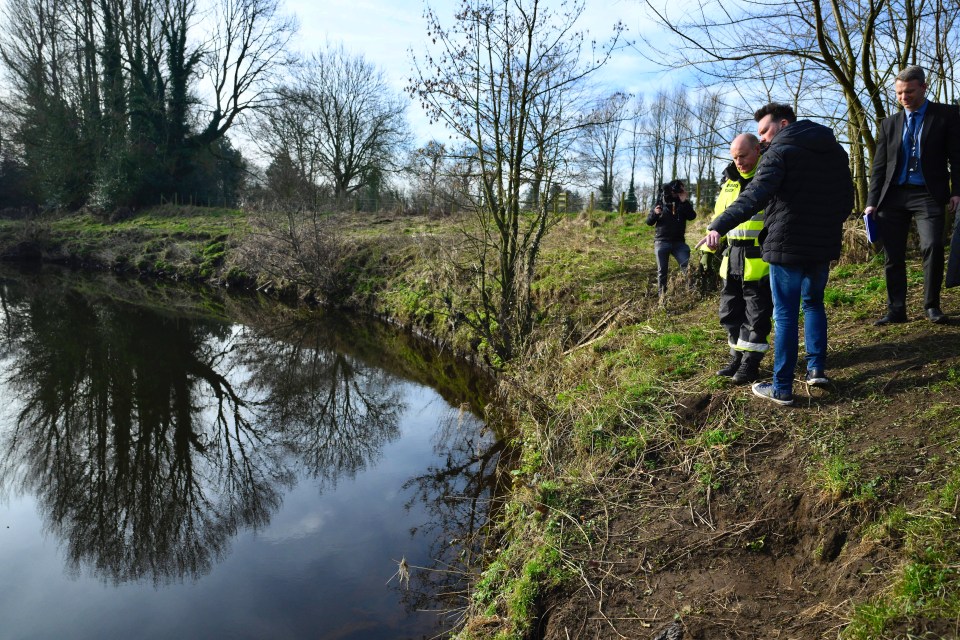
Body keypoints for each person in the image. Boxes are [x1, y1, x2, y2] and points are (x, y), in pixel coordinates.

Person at [696, 103, 854, 406]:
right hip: (822, 242)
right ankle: (816, 369)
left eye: (764, 131)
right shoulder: (835, 152)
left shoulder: (779, 152)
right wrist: (824, 223)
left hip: (787, 244)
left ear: (783, 124)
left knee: (784, 314)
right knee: (814, 304)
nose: (763, 138)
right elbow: (846, 198)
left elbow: (755, 196)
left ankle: (782, 387)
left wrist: (718, 224)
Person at [865, 65, 960, 325]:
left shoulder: (946, 115)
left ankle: (932, 306)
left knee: (932, 246)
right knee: (893, 254)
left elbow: (957, 157)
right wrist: (871, 203)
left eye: (908, 92)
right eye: (898, 93)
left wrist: (956, 192)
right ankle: (896, 310)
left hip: (928, 194)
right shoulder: (888, 124)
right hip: (892, 196)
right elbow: (879, 167)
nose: (903, 98)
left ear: (923, 87)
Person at [702, 133, 772, 384]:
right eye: (734, 157)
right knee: (729, 312)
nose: (739, 162)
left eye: (743, 156)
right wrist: (708, 249)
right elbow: (719, 218)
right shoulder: (729, 181)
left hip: (759, 258)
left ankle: (750, 364)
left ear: (757, 150)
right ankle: (736, 356)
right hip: (730, 256)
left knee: (756, 315)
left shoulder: (768, 178)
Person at [646, 179, 695, 298]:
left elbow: (692, 216)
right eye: (679, 189)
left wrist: (684, 201)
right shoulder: (661, 201)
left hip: (679, 242)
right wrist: (655, 213)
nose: (680, 191)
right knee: (662, 271)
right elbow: (649, 222)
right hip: (661, 241)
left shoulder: (683, 203)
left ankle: (692, 293)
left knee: (687, 267)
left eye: (682, 189)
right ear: (671, 190)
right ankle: (661, 296)